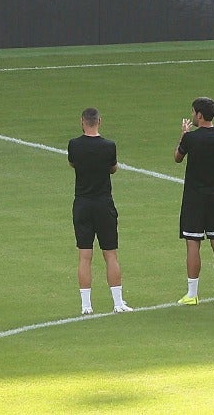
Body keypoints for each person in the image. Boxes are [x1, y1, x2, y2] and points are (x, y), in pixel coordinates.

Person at [69, 107, 131, 315]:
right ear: (99, 121)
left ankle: (86, 306)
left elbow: (73, 163)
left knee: (84, 256)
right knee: (110, 254)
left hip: (82, 203)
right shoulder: (108, 146)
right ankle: (118, 302)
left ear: (82, 122)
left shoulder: (74, 145)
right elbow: (113, 168)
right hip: (103, 203)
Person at [175, 96, 214, 305]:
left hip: (193, 198)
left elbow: (177, 157)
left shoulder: (191, 139)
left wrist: (183, 135)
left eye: (193, 112)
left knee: (193, 243)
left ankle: (192, 294)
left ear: (199, 114)